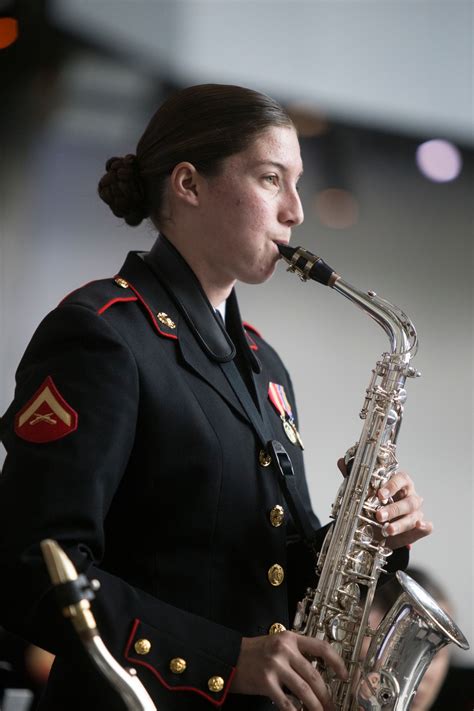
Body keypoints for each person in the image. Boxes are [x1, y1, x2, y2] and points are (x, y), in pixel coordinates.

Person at [0, 84, 432, 711]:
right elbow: (30, 571)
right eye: (270, 179)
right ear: (189, 184)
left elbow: (266, 572)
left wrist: (366, 536)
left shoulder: (265, 366)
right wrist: (225, 660)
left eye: (298, 182)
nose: (296, 211)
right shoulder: (101, 333)